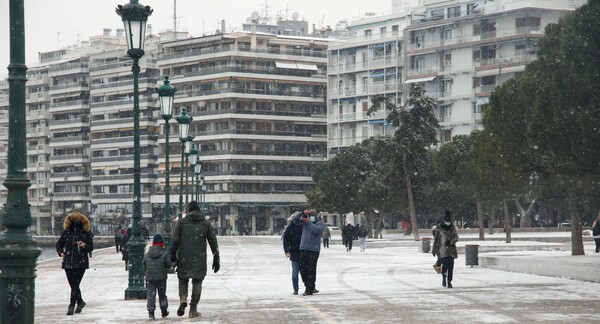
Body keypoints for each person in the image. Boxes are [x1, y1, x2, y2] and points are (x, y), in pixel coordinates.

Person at [170, 201, 220, 318]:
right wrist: (216, 257)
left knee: (183, 279)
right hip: (199, 257)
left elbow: (175, 240)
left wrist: (172, 253)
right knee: (197, 281)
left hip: (184, 256)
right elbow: (213, 242)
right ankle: (193, 308)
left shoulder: (182, 223)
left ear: (189, 210)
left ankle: (183, 298)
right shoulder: (206, 224)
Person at [55, 211, 94, 315]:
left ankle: (71, 306)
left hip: (80, 263)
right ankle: (80, 302)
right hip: (67, 262)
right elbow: (59, 244)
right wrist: (61, 253)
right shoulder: (67, 232)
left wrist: (84, 246)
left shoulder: (85, 233)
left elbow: (91, 247)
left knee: (75, 284)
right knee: (73, 285)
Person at [293, 209, 325, 296]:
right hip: (303, 248)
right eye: (309, 216)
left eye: (312, 217)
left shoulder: (320, 224)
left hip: (313, 250)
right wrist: (302, 213)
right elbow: (294, 220)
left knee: (311, 269)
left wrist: (309, 223)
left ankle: (309, 290)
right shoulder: (303, 223)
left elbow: (317, 231)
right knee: (302, 269)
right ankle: (308, 285)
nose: (310, 218)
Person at [144, 234, 171, 320]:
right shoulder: (164, 253)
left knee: (151, 295)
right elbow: (168, 264)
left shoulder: (147, 254)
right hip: (161, 278)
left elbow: (143, 266)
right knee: (162, 295)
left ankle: (151, 312)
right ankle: (163, 311)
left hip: (150, 278)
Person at [432, 210, 459, 288]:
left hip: (451, 250)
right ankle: (444, 278)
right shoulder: (439, 228)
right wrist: (434, 250)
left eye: (449, 220)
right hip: (442, 250)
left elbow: (456, 238)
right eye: (447, 220)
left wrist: (450, 242)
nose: (448, 222)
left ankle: (449, 281)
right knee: (445, 266)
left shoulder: (453, 228)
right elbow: (436, 240)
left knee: (451, 267)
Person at [282, 214, 303, 295]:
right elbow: (286, 239)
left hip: (301, 252)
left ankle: (306, 287)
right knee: (296, 272)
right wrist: (287, 250)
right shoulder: (291, 228)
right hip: (296, 252)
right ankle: (296, 288)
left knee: (300, 272)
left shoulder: (303, 226)